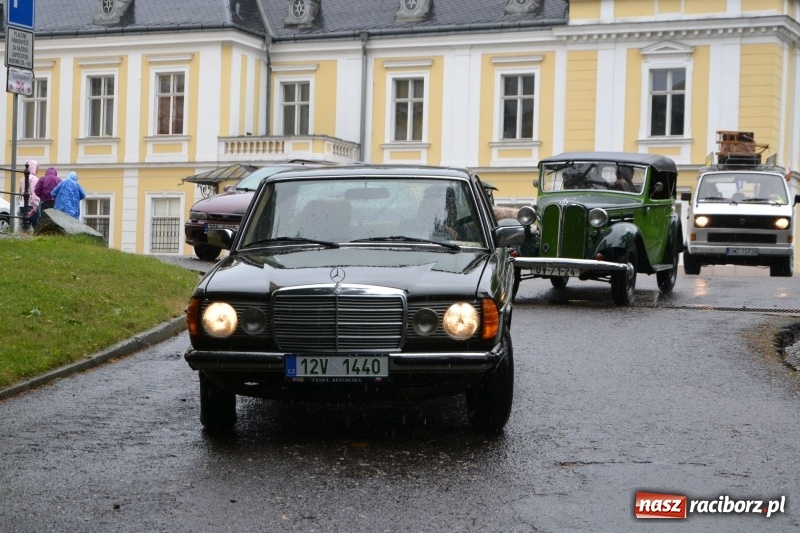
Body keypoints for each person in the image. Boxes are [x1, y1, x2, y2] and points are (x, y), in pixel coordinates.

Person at [18, 159, 40, 227]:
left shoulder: (22, 178)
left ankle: (23, 236)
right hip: (31, 205)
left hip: (21, 205)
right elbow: (34, 193)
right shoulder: (34, 179)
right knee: (35, 225)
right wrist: (35, 207)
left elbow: (21, 191)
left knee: (24, 225)